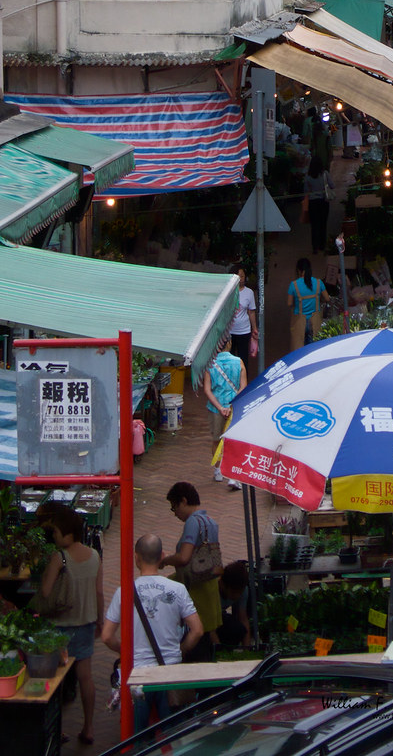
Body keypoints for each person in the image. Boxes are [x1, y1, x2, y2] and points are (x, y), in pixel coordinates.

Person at [101, 534, 203, 732]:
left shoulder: (124, 592)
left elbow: (106, 636)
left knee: (137, 737)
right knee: (171, 736)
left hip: (138, 676)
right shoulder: (178, 589)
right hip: (169, 672)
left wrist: (127, 652)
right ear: (162, 556)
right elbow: (197, 630)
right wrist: (179, 651)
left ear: (136, 558)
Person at [39, 505, 104, 746]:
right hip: (85, 623)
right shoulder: (94, 556)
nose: (54, 536)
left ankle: (57, 730)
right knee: (85, 677)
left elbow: (46, 592)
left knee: (55, 680)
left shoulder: (59, 557)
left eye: (56, 532)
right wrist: (100, 619)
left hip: (58, 627)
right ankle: (88, 728)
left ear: (67, 533)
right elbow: (98, 592)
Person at [160, 482, 223, 662]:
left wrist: (165, 561)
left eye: (174, 508)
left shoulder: (193, 522)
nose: (175, 514)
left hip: (195, 586)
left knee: (197, 637)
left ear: (184, 501)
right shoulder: (211, 521)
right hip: (209, 584)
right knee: (208, 636)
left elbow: (184, 558)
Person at [203, 343, 246, 483]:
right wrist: (230, 405)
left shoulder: (210, 365)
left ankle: (218, 470)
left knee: (216, 439)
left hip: (216, 408)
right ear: (229, 343)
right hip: (234, 407)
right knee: (233, 440)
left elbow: (207, 390)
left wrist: (220, 407)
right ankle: (233, 475)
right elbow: (243, 386)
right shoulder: (238, 362)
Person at [287, 257, 330, 351]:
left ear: (298, 270)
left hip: (299, 321)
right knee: (314, 348)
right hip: (315, 321)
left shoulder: (293, 285)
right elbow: (327, 298)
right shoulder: (319, 282)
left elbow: (289, 303)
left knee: (299, 349)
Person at [216, 562, 251, 650]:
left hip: (219, 617)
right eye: (234, 593)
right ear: (223, 585)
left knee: (238, 629)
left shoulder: (242, 590)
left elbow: (243, 619)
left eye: (240, 592)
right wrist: (219, 651)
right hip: (203, 620)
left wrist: (247, 650)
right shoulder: (212, 590)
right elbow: (208, 627)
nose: (237, 596)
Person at [303, 156, 334, 255]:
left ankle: (314, 246)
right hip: (323, 201)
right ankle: (322, 245)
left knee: (314, 225)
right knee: (323, 224)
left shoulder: (308, 176)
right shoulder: (325, 174)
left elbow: (306, 191)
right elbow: (332, 185)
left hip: (313, 202)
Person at [229, 266, 258, 367]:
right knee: (229, 358)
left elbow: (251, 312)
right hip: (229, 332)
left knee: (243, 359)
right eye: (238, 276)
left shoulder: (249, 292)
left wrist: (254, 329)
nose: (241, 278)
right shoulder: (227, 291)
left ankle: (244, 381)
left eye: (242, 276)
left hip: (244, 331)